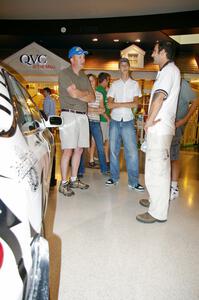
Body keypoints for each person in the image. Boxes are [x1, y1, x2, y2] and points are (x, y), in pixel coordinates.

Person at [136, 41, 181, 223]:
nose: (152, 54)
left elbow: (159, 97)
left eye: (154, 51)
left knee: (159, 170)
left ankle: (157, 212)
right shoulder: (166, 71)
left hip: (160, 128)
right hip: (160, 128)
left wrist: (148, 121)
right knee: (155, 168)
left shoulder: (169, 71)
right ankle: (155, 200)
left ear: (163, 52)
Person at [58, 46, 95, 197]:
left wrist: (81, 94)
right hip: (69, 115)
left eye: (83, 57)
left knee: (79, 149)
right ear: (72, 58)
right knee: (68, 149)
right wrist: (82, 94)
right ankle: (63, 183)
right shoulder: (64, 73)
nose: (83, 59)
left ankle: (74, 179)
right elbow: (72, 94)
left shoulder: (84, 76)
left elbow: (92, 97)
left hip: (82, 116)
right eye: (80, 57)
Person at [105, 57, 144, 192]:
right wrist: (124, 104)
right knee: (113, 151)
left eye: (126, 65)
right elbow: (109, 105)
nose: (124, 67)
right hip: (115, 121)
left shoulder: (135, 84)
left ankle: (133, 182)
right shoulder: (114, 85)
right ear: (119, 68)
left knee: (132, 152)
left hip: (128, 121)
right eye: (121, 65)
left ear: (129, 67)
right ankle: (114, 178)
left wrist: (118, 104)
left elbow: (135, 104)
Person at [170, 79, 199, 200]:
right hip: (165, 123)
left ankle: (174, 187)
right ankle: (167, 185)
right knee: (165, 156)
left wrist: (184, 120)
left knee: (174, 156)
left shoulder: (182, 83)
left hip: (176, 124)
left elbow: (196, 101)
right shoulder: (165, 79)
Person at [87, 73, 108, 175]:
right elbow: (85, 109)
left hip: (96, 122)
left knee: (100, 146)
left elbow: (103, 109)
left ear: (95, 81)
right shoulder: (84, 94)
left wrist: (93, 110)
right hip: (85, 122)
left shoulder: (99, 94)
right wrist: (97, 110)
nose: (91, 82)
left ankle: (104, 170)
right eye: (89, 81)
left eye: (92, 80)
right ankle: (80, 171)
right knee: (81, 147)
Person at [96, 72, 111, 167]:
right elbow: (99, 107)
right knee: (103, 141)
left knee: (106, 140)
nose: (108, 82)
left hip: (105, 119)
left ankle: (106, 159)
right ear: (105, 80)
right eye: (108, 80)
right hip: (102, 119)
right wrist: (107, 118)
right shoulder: (99, 90)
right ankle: (104, 160)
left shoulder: (104, 90)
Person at [43, 87, 57, 187]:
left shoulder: (47, 100)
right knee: (52, 136)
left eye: (44, 91)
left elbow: (46, 112)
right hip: (52, 121)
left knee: (48, 137)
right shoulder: (52, 100)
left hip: (48, 121)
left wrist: (44, 120)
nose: (43, 93)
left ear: (47, 92)